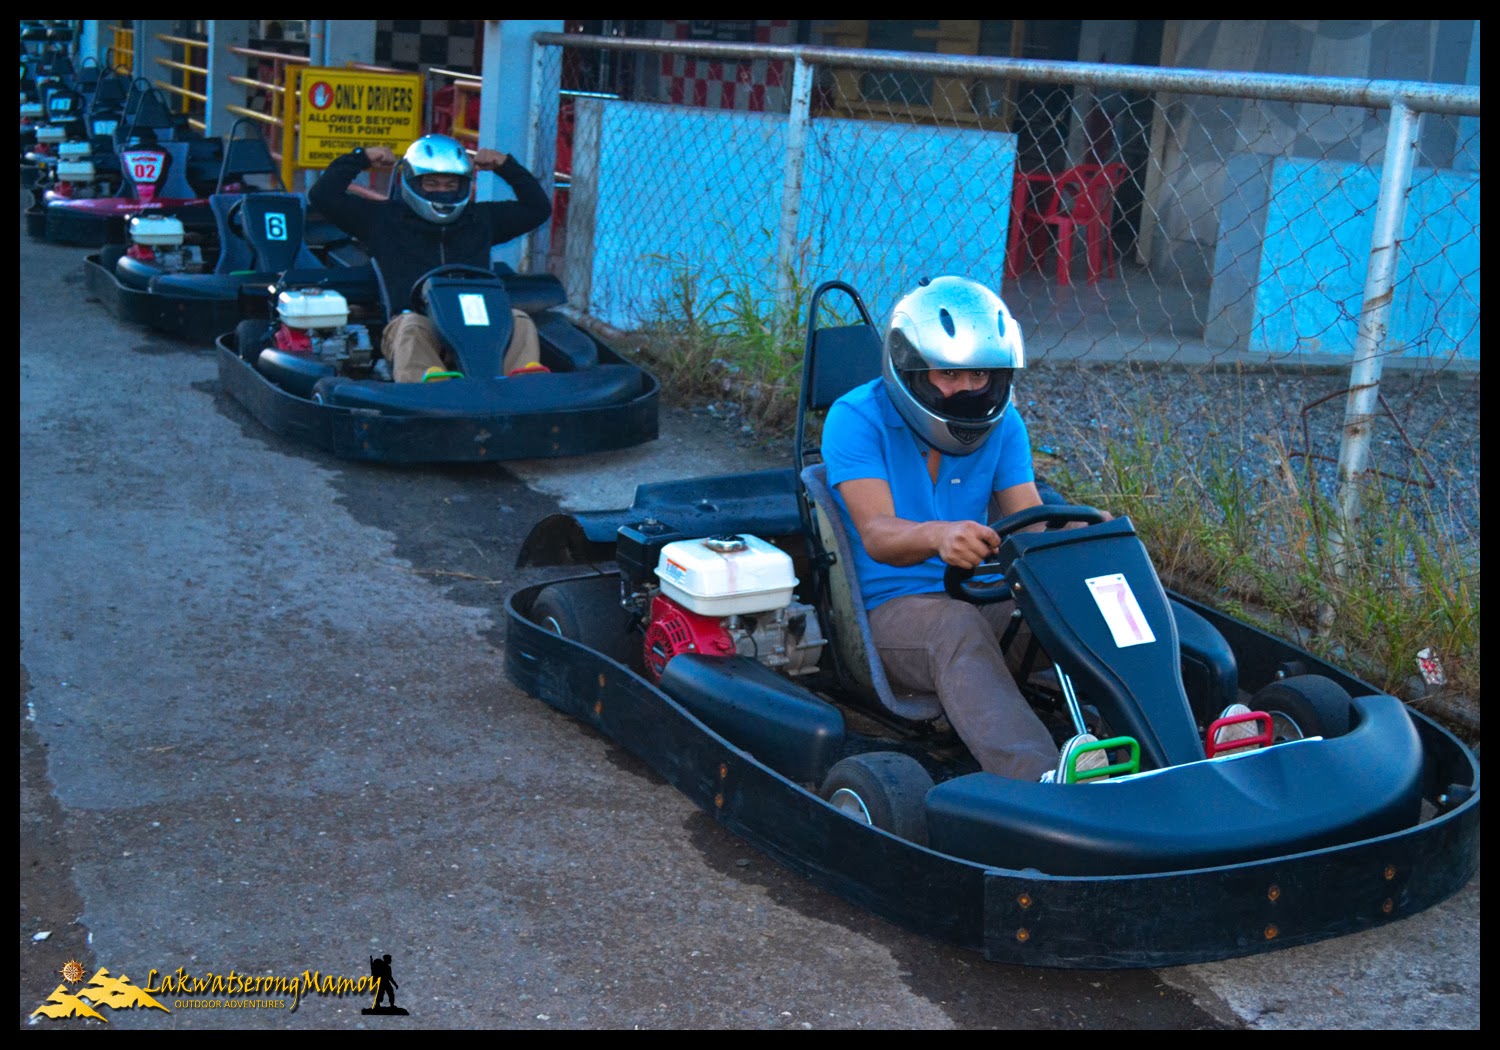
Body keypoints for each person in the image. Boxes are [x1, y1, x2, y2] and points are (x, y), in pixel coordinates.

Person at [821, 275, 1115, 784]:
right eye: (948, 374)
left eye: (978, 373)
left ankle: (1160, 749)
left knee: (1088, 595)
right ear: (911, 368)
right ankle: (1043, 783)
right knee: (956, 628)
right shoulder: (856, 419)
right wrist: (939, 536)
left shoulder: (1004, 426)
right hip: (886, 616)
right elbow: (878, 534)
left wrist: (1086, 535)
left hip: (975, 594)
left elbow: (1033, 522)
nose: (965, 389)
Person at [309, 133, 552, 383]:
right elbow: (322, 196)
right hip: (417, 322)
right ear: (412, 183)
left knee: (519, 320)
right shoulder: (382, 220)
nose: (442, 192)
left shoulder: (481, 220)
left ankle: (522, 387)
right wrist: (361, 158)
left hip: (478, 323)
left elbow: (538, 207)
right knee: (411, 327)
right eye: (432, 184)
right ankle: (430, 390)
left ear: (464, 185)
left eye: (450, 185)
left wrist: (506, 166)